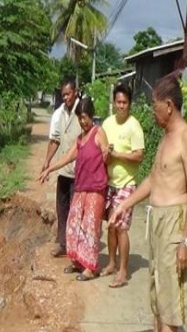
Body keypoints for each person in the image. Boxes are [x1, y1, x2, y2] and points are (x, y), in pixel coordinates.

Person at [110, 75, 187, 332]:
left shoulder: (186, 138)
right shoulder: (165, 138)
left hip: (174, 222)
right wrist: (125, 205)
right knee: (155, 293)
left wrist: (185, 240)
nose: (152, 112)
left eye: (155, 106)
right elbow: (152, 180)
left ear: (169, 106)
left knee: (169, 297)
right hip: (156, 220)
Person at [39, 97, 109, 281]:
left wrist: (108, 153)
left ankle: (90, 267)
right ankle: (78, 261)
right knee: (74, 223)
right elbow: (67, 158)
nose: (82, 121)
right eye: (80, 118)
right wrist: (49, 169)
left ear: (91, 116)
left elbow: (106, 155)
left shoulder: (98, 133)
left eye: (84, 117)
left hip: (95, 189)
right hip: (81, 187)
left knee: (90, 227)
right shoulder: (80, 139)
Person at [101, 83, 145, 289]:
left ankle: (123, 272)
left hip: (127, 183)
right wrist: (106, 154)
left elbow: (139, 156)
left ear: (130, 104)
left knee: (121, 228)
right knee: (110, 226)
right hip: (110, 182)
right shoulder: (107, 124)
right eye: (118, 102)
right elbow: (100, 148)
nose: (121, 106)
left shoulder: (134, 126)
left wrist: (117, 154)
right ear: (113, 102)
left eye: (124, 103)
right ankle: (111, 263)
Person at [42, 79, 82, 258]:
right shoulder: (60, 113)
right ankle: (62, 243)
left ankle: (76, 247)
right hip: (64, 171)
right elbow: (55, 139)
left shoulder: (83, 110)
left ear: (76, 92)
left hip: (79, 171)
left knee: (76, 211)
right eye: (63, 95)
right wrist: (47, 161)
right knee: (61, 207)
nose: (66, 97)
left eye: (68, 94)